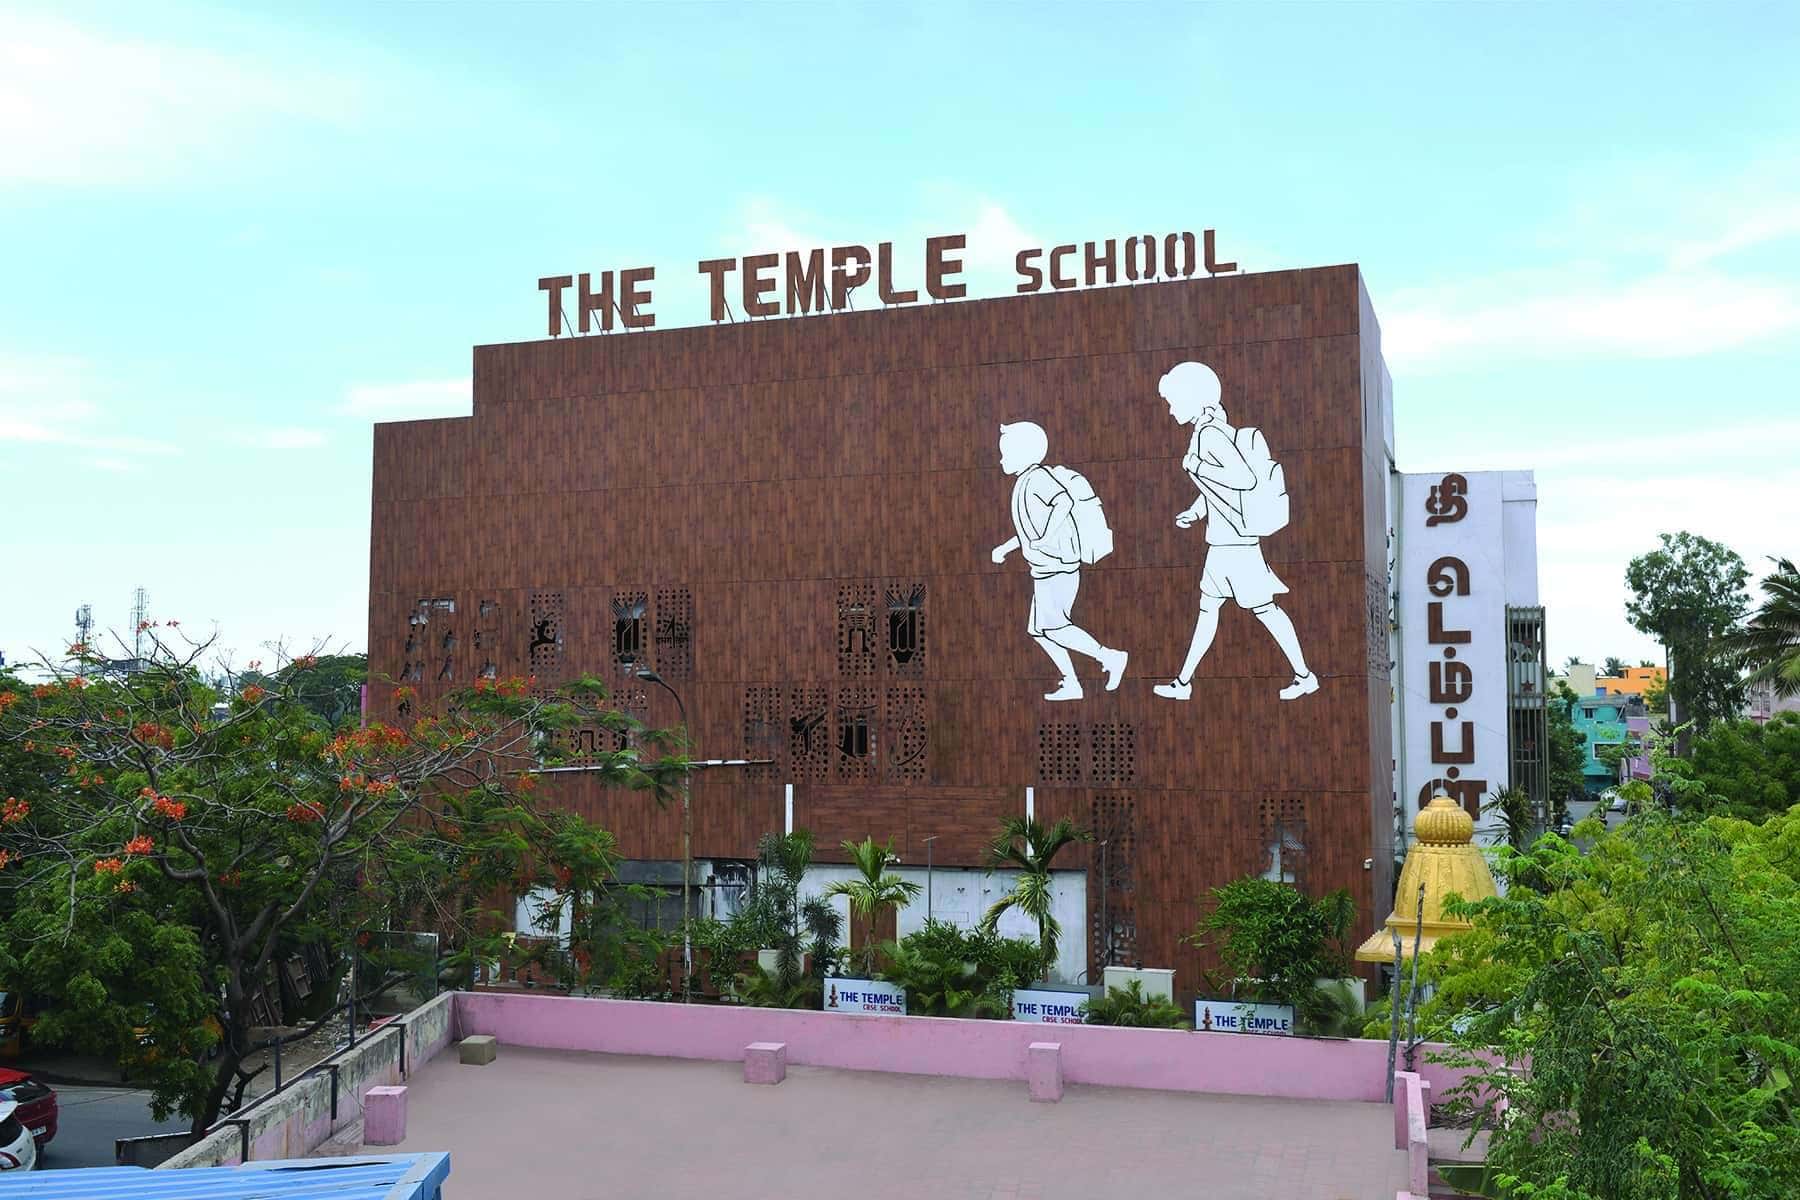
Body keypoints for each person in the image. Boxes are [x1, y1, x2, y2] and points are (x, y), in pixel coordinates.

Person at [1152, 361, 1318, 702]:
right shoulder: (1211, 430)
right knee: (1210, 610)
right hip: (1224, 544)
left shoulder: (1210, 434)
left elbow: (1243, 479)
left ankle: (1305, 676)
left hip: (1237, 547)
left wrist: (1195, 465)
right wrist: (1196, 513)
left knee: (1264, 610)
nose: (1169, 410)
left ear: (1194, 398)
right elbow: (1214, 490)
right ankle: (1183, 683)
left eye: (1173, 401)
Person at [991, 421, 1128, 701]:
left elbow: (1063, 503)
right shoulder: (1023, 483)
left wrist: (1044, 538)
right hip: (1044, 569)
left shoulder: (1037, 478)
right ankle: (1072, 683)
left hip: (1057, 569)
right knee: (1040, 631)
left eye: (1006, 453)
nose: (1001, 459)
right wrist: (1006, 548)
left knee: (1054, 627)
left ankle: (1110, 658)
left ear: (1026, 453)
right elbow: (1028, 530)